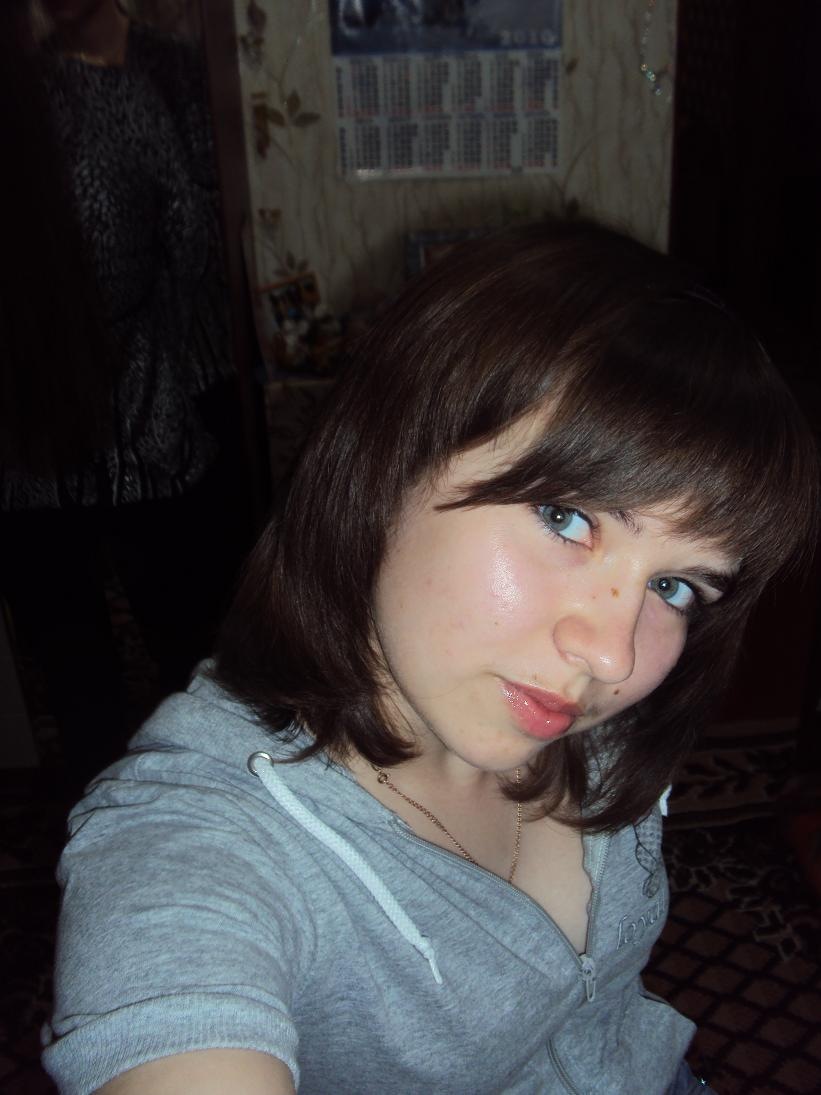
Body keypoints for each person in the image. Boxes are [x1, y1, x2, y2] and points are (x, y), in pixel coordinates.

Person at [42, 222, 818, 1094]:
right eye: (566, 517)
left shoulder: (572, 704)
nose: (610, 654)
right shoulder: (202, 838)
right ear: (388, 460)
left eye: (672, 585)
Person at [0, 0, 249, 788]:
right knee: (190, 662)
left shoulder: (129, 80)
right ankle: (208, 809)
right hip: (147, 426)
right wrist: (150, 346)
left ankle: (107, 823)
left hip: (23, 452)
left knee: (78, 690)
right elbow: (192, 248)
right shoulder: (111, 94)